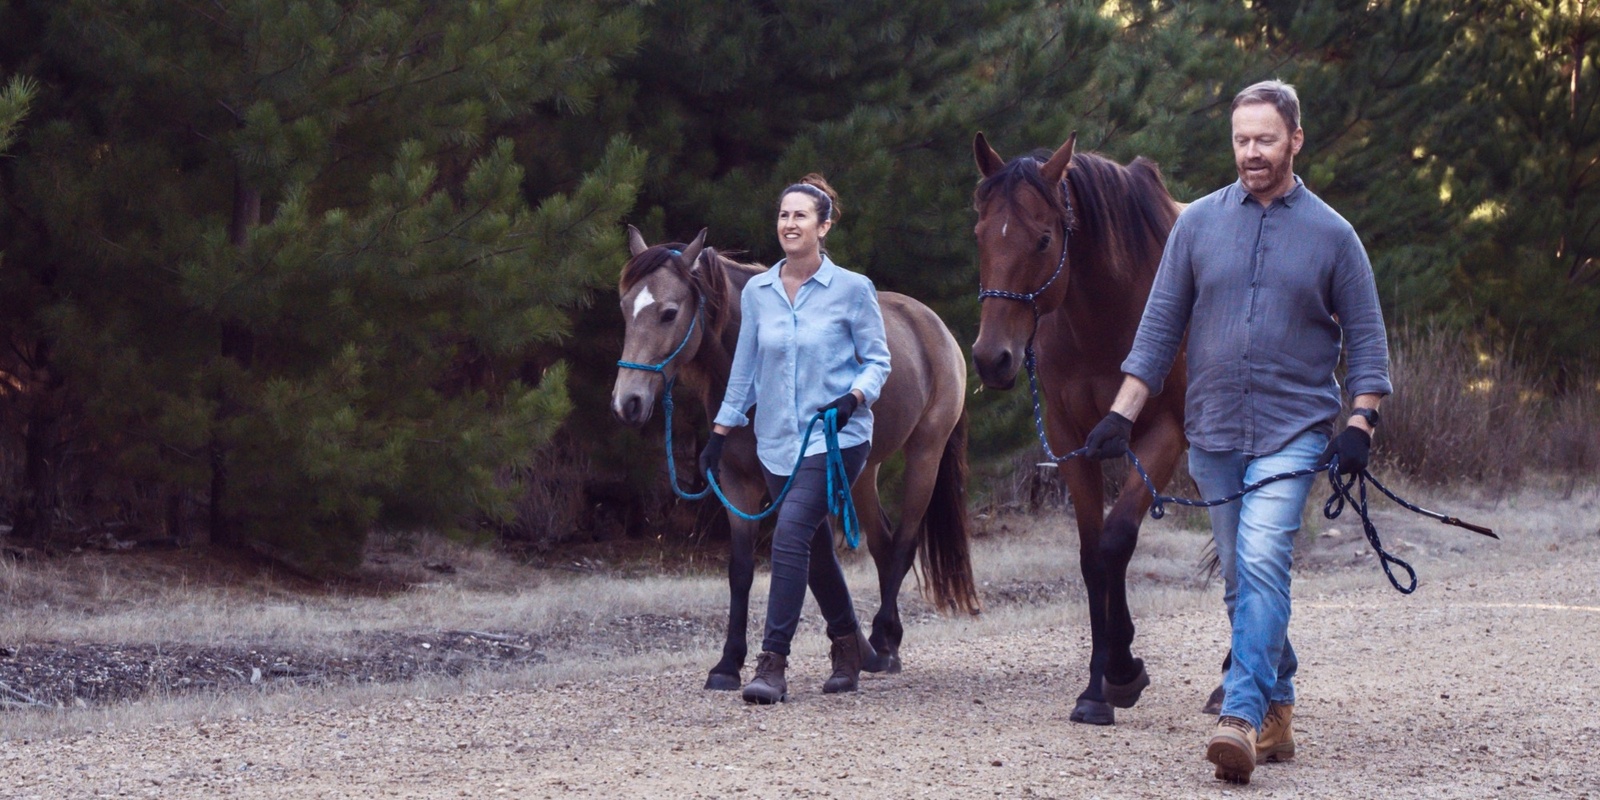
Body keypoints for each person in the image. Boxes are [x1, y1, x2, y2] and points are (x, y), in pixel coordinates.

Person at [1082, 80, 1391, 784]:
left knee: (1259, 561)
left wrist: (1360, 423)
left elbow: (1369, 346)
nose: (1251, 152)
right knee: (1239, 579)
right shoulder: (1197, 227)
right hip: (1214, 429)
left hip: (1295, 428)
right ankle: (1279, 707)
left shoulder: (1334, 235)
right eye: (1241, 140)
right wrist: (1120, 413)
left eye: (1265, 139)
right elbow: (1158, 332)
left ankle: (1242, 717)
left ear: (1295, 141)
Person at [698, 174, 892, 704]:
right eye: (784, 215)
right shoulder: (759, 293)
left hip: (837, 438)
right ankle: (849, 645)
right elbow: (744, 371)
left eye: (801, 215)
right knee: (812, 549)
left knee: (788, 535)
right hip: (775, 440)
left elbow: (878, 361)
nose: (790, 223)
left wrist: (854, 397)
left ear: (824, 226)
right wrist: (720, 434)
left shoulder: (853, 289)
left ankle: (771, 663)